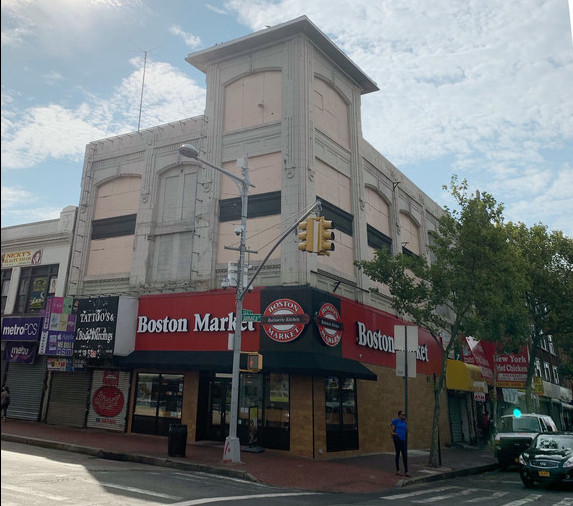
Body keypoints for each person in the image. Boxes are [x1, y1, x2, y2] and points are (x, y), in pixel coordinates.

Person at [390, 410, 409, 477]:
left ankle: (406, 471)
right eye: (402, 415)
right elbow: (390, 426)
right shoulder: (396, 420)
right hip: (397, 439)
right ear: (399, 415)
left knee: (404, 455)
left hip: (403, 440)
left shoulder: (404, 422)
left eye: (404, 415)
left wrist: (406, 421)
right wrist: (393, 433)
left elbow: (406, 429)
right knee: (398, 453)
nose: (403, 416)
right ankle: (398, 470)